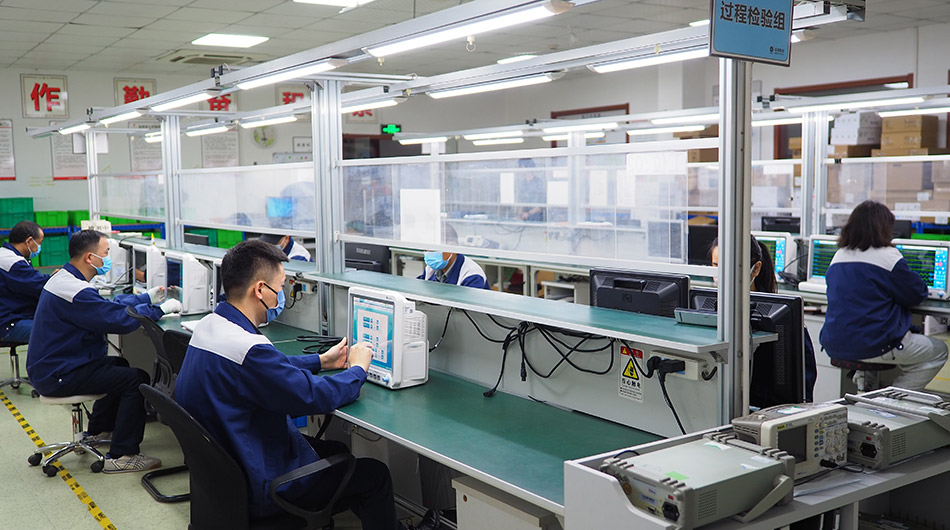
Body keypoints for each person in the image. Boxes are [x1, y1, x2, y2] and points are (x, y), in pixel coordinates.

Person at [175, 240, 405, 529]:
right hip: (264, 482)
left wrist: (320, 361)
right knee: (374, 475)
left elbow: (265, 369)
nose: (281, 295)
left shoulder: (211, 327)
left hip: (229, 472)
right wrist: (357, 369)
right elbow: (316, 396)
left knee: (335, 451)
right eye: (280, 286)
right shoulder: (249, 349)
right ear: (260, 290)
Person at [26, 230, 181, 473]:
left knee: (119, 365)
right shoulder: (75, 291)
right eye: (105, 253)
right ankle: (123, 455)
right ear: (90, 258)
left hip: (53, 367)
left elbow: (106, 306)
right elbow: (117, 320)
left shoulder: (67, 280)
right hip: (58, 374)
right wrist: (160, 310)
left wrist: (144, 300)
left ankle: (99, 430)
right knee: (136, 380)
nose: (107, 259)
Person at [820, 200, 948, 391]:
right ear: (884, 228)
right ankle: (893, 398)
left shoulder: (839, 256)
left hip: (836, 343)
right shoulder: (888, 257)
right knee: (939, 351)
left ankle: (871, 393)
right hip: (875, 344)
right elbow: (915, 294)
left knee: (876, 336)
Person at [710, 235, 819, 402]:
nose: (720, 275)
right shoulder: (710, 308)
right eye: (715, 266)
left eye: (729, 266)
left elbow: (802, 388)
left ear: (755, 269)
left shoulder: (782, 317)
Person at [0, 221, 50, 343]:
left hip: (14, 315)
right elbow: (38, 286)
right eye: (40, 243)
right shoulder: (11, 262)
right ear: (29, 241)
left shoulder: (7, 255)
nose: (39, 247)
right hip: (9, 323)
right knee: (60, 332)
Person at [417, 226, 489, 290]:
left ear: (452, 247)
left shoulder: (472, 275)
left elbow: (467, 303)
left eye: (433, 250)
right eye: (426, 250)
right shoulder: (431, 269)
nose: (428, 254)